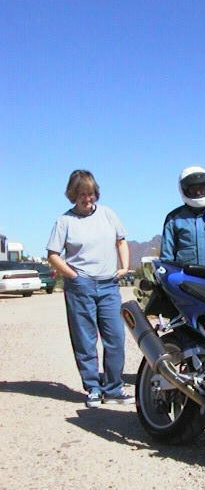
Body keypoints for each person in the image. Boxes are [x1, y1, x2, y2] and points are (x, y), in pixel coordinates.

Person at [47, 170, 134, 408]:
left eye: (91, 194)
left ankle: (113, 389)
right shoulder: (64, 221)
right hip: (81, 286)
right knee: (85, 339)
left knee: (115, 338)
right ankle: (93, 388)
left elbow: (121, 240)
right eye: (82, 195)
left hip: (109, 285)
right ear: (73, 195)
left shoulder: (108, 214)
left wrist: (124, 267)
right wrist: (73, 276)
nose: (87, 199)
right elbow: (53, 255)